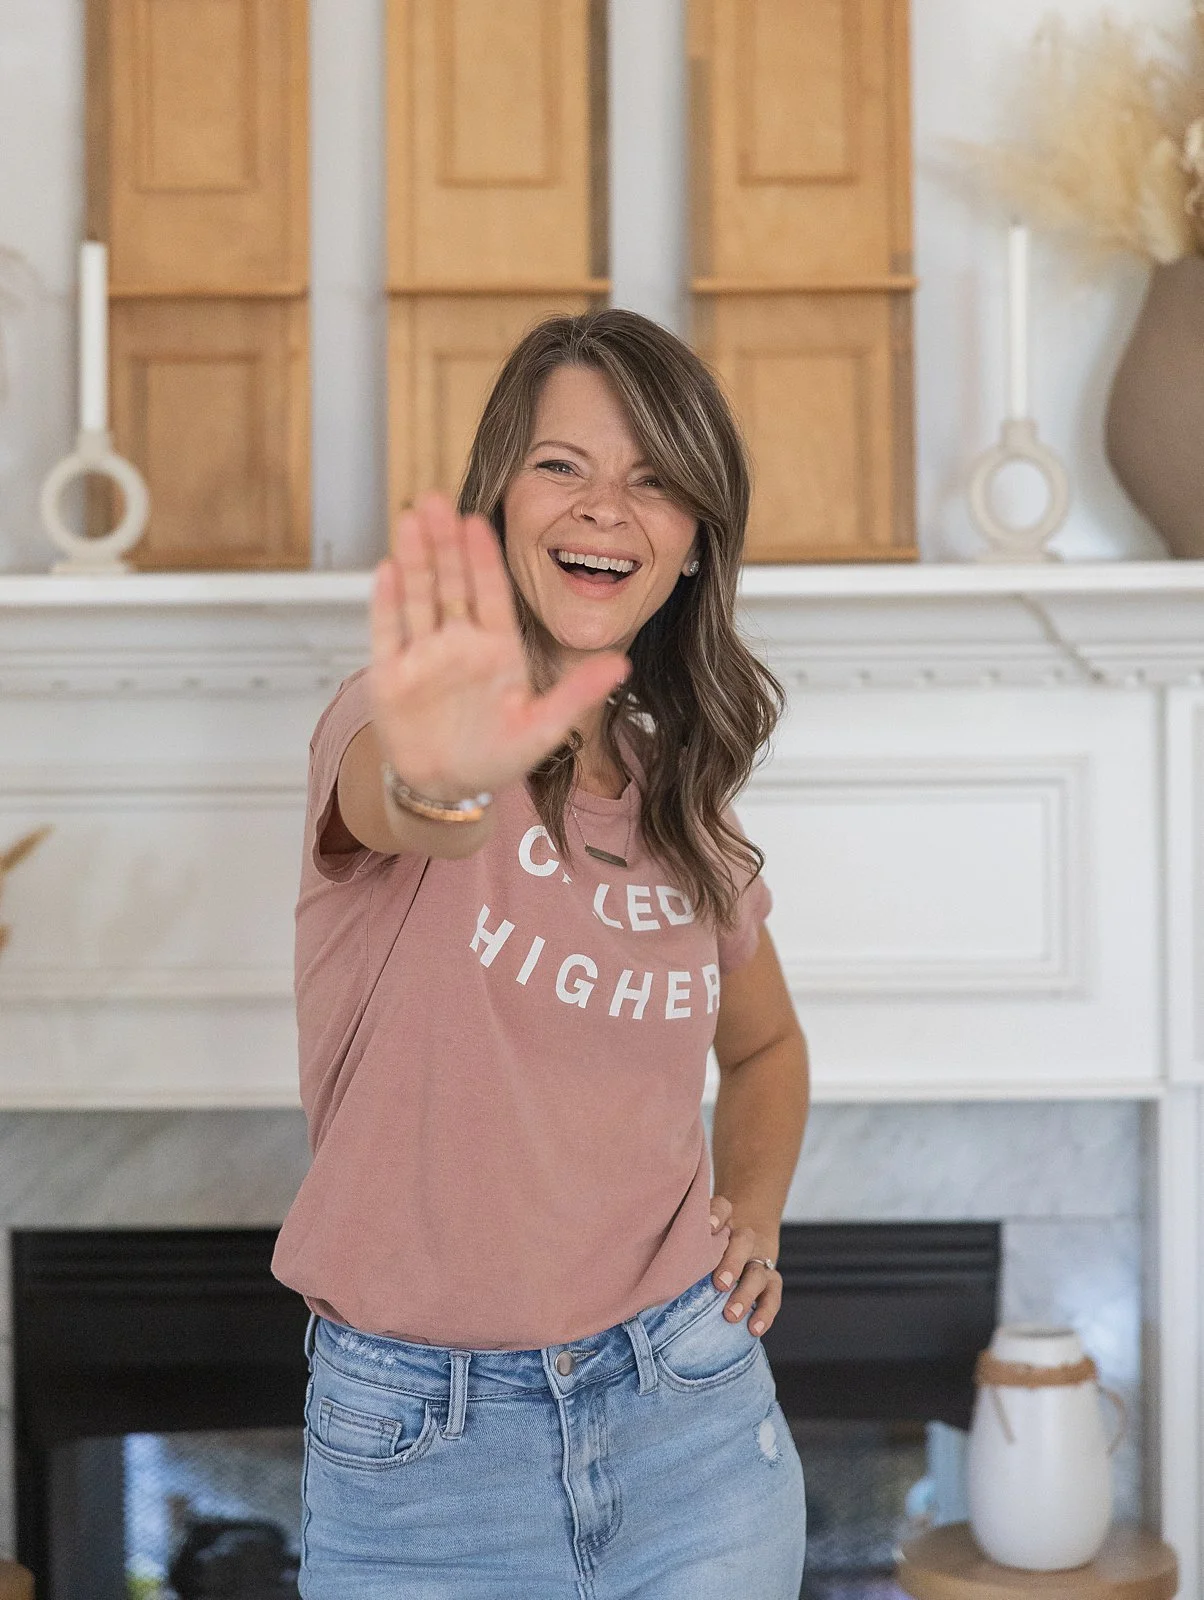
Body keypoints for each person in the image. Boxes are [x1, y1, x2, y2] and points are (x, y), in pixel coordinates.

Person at [272, 308, 811, 1598]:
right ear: (499, 504)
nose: (604, 508)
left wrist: (756, 1213)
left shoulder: (685, 806)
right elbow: (411, 800)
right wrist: (449, 775)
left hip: (694, 1421)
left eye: (653, 480)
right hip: (421, 1459)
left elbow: (768, 1047)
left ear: (694, 543)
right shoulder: (392, 716)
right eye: (561, 464)